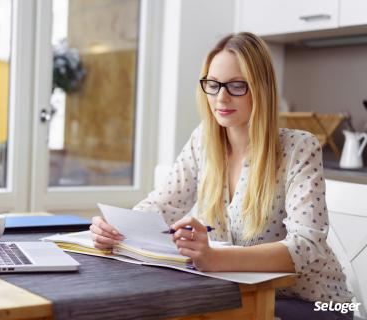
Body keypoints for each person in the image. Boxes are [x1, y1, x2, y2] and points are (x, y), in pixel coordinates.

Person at [89, 32, 353, 320]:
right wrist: (116, 229)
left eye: (237, 86)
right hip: (242, 294)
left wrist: (214, 258)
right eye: (213, 85)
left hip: (316, 304)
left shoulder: (299, 147)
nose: (221, 97)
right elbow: (163, 206)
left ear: (261, 89)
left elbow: (306, 246)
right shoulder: (203, 140)